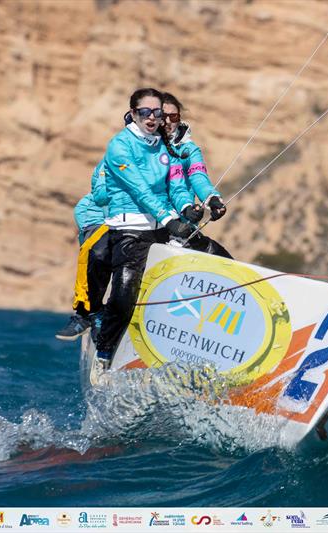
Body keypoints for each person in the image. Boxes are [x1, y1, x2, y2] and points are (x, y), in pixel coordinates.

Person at [93, 88, 196, 368]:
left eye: (157, 113)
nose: (152, 118)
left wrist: (186, 210)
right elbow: (140, 190)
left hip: (161, 228)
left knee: (213, 254)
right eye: (145, 112)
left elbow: (176, 185)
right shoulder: (119, 146)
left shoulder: (165, 145)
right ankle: (103, 349)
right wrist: (167, 218)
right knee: (125, 293)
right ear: (133, 113)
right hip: (130, 232)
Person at [161, 92, 233, 258]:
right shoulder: (148, 147)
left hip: (183, 226)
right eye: (164, 116)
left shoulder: (189, 149)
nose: (168, 122)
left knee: (224, 259)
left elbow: (198, 177)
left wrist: (212, 200)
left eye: (173, 117)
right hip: (158, 224)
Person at [55, 165, 112, 341]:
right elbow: (102, 195)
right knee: (97, 254)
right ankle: (88, 312)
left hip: (148, 219)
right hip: (104, 219)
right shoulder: (119, 151)